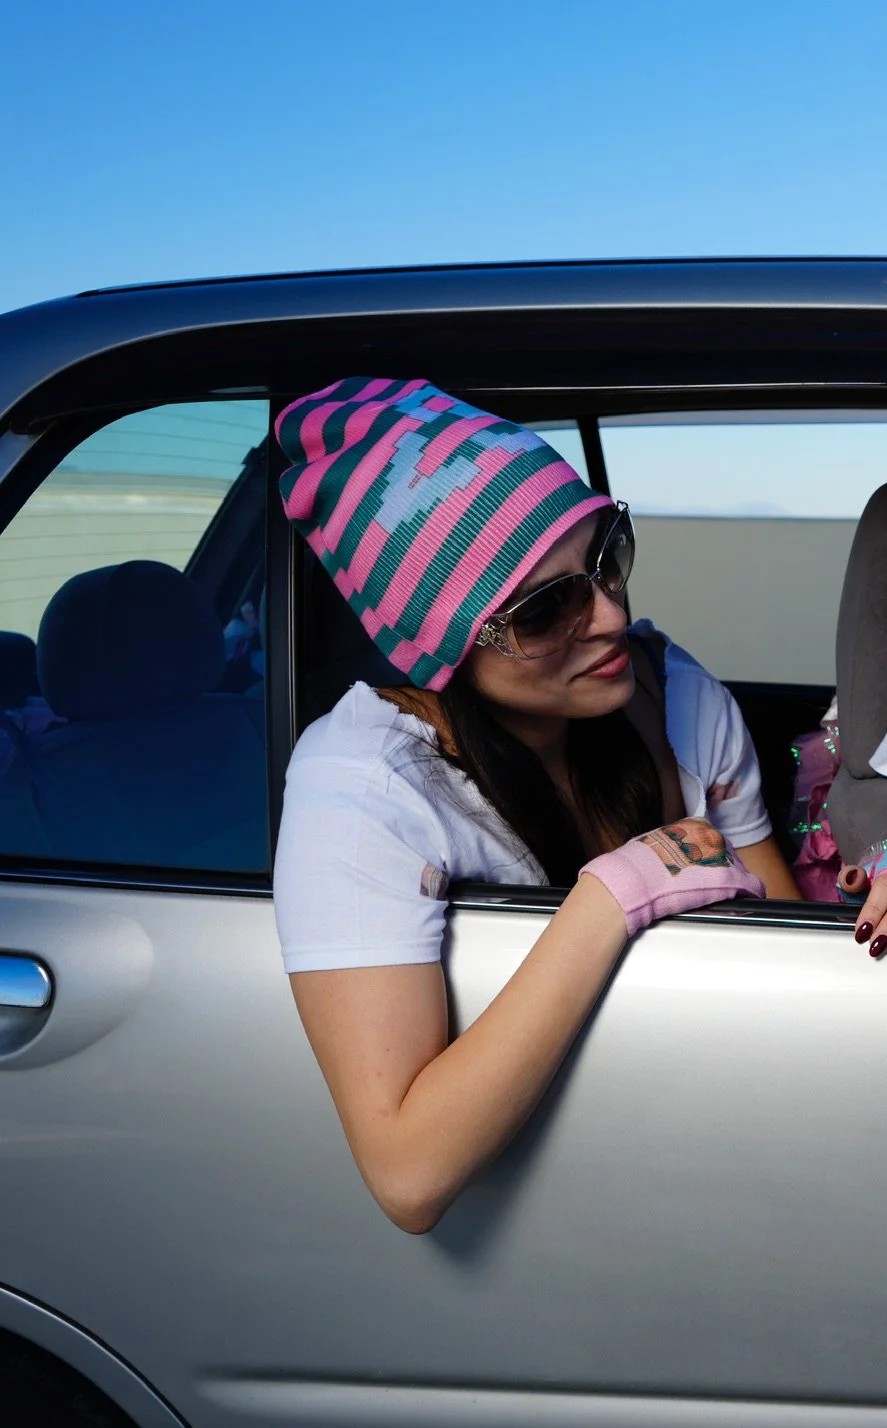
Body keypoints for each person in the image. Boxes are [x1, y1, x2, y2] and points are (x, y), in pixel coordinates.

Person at [272, 378, 795, 1232]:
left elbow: (795, 961)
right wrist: (619, 890)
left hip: (702, 1167)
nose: (612, 615)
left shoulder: (676, 696)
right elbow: (407, 1174)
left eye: (606, 558)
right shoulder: (367, 788)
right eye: (547, 609)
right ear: (440, 647)